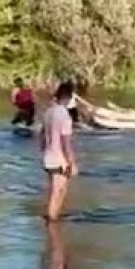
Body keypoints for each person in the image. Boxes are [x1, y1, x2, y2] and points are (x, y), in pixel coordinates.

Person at [41, 82, 78, 223]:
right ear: (69, 97)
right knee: (58, 191)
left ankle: (53, 219)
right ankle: (52, 221)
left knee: (58, 190)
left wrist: (44, 150)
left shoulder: (48, 112)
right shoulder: (64, 115)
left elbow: (42, 135)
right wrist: (72, 163)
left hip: (48, 156)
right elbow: (66, 142)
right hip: (59, 158)